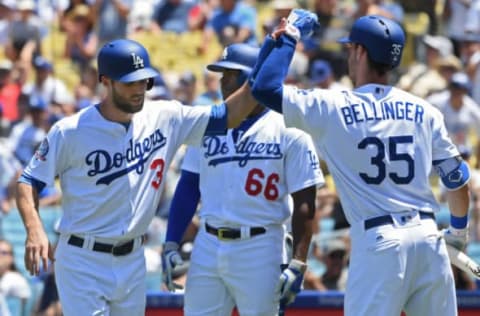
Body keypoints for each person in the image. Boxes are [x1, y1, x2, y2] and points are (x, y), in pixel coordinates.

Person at [15, 38, 264, 315]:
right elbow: (27, 182)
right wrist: (34, 228)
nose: (138, 89)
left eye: (143, 81)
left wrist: (267, 64)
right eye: (129, 82)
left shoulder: (165, 115)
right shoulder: (70, 130)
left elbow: (229, 115)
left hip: (133, 258)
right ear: (106, 81)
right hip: (82, 258)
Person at [247, 10, 471, 316]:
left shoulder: (332, 105)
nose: (348, 55)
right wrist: (458, 231)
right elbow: (457, 179)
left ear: (361, 52)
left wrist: (290, 34)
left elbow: (263, 88)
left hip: (379, 243)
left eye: (350, 48)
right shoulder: (425, 109)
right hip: (428, 237)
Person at [161, 43, 324, 315]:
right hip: (208, 243)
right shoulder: (207, 124)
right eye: (222, 74)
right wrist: (170, 242)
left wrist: (298, 261)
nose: (223, 81)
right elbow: (188, 186)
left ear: (253, 78)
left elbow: (305, 200)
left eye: (230, 74)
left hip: (262, 246)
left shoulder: (289, 127)